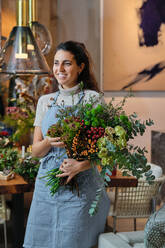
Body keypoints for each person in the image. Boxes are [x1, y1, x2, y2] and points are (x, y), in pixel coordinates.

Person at [23, 40, 110, 248]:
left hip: (81, 190)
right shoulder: (46, 101)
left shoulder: (92, 100)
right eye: (56, 63)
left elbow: (108, 149)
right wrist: (48, 142)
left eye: (67, 63)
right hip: (47, 190)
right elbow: (35, 151)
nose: (59, 69)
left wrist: (81, 165)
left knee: (74, 241)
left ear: (81, 67)